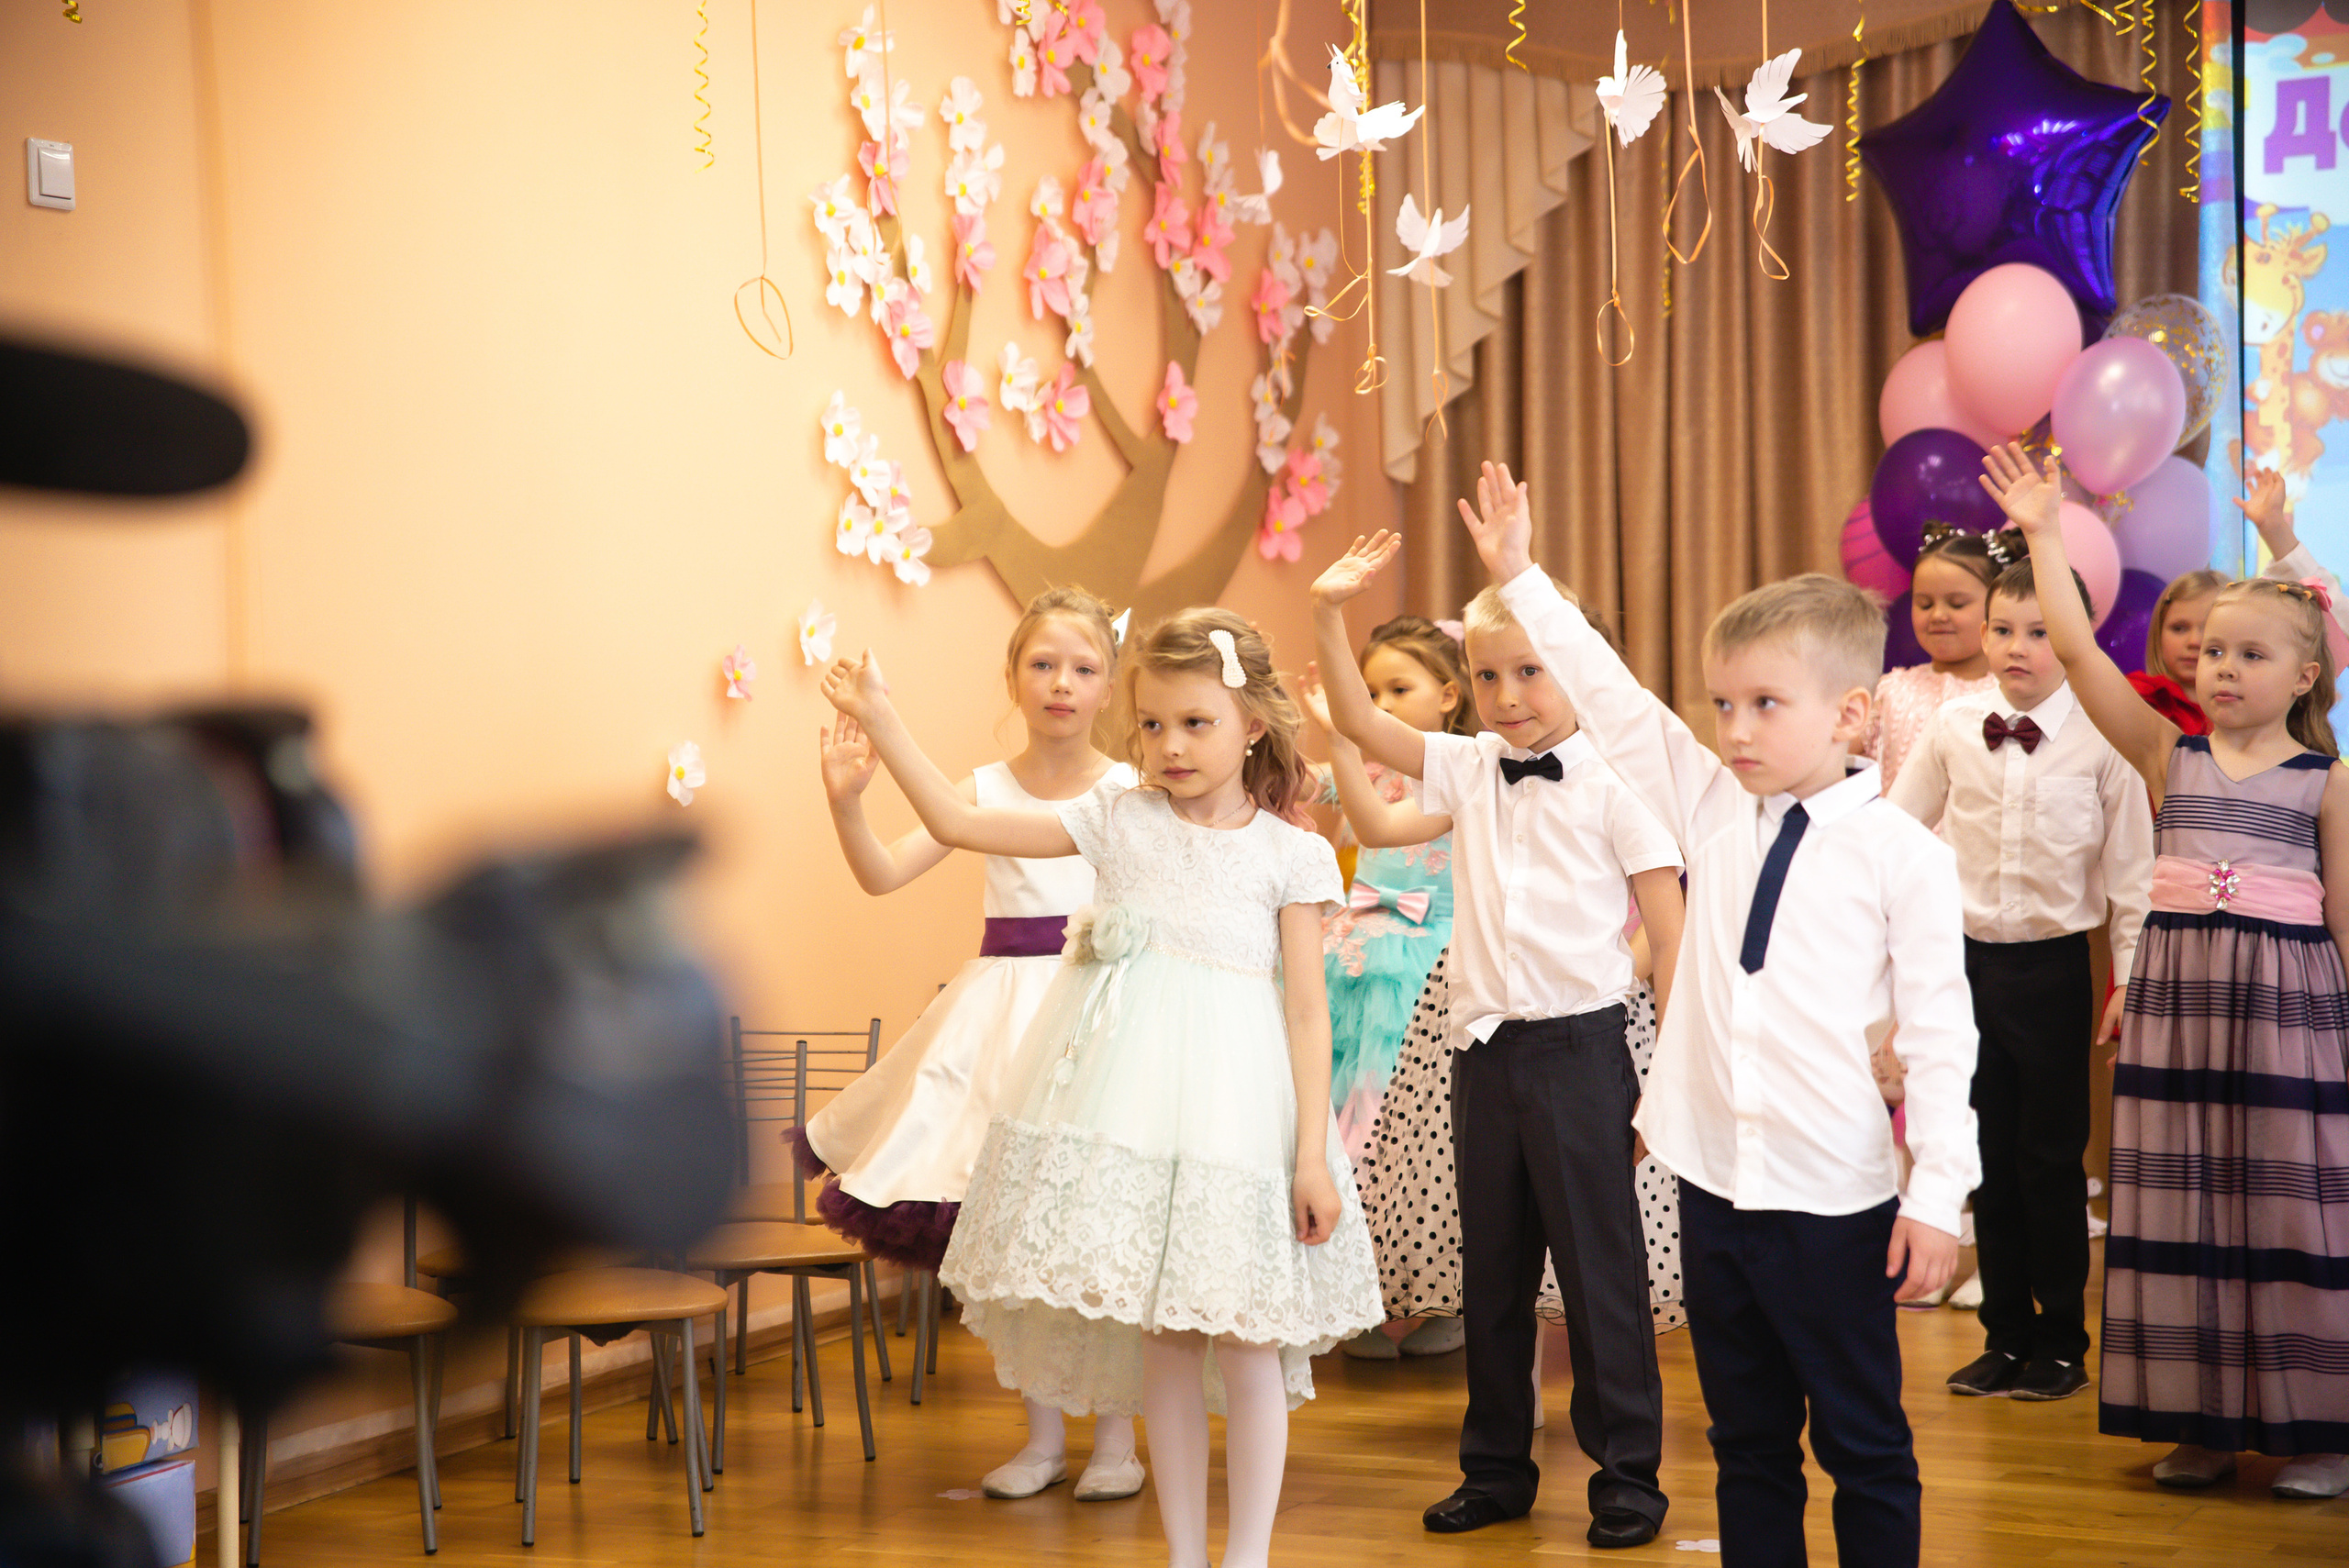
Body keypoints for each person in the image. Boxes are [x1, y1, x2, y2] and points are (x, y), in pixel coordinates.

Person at [1454, 460, 1978, 1566]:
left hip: (1832, 1196)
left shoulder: (1904, 857)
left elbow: (1939, 1037)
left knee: (1862, 1437)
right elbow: (1614, 699)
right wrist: (1521, 575)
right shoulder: (1708, 805)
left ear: (1849, 712)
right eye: (1724, 703)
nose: (1734, 728)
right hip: (1716, 1187)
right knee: (1744, 1439)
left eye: (1763, 704)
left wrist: (1936, 1195)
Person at [818, 610, 1381, 1568]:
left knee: (1245, 1336)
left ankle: (1246, 1555)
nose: (1169, 745)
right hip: (1129, 1101)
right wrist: (881, 715)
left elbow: (1304, 1014)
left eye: (1195, 723)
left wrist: (1309, 1156)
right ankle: (1182, 1551)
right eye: (1152, 724)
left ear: (1250, 724)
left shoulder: (1290, 854)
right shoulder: (1118, 819)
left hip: (1242, 1109)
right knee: (1161, 1333)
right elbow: (957, 822)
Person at [1985, 441, 2349, 1499]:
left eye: (2250, 653)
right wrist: (2045, 531)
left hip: (2289, 1018)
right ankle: (2199, 1424)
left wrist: (2286, 541)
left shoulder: (2326, 779)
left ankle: (2318, 1428)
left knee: (2288, 1210)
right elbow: (2074, 646)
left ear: (2307, 670)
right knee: (2181, 1207)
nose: (2222, 668)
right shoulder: (2163, 752)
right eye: (2212, 652)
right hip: (2180, 1015)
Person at [1309, 538, 1686, 1551]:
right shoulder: (1466, 765)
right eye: (1485, 674)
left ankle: (1627, 1476)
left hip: (1583, 1049)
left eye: (1530, 669)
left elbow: (1671, 931)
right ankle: (1494, 1468)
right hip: (1482, 1052)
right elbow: (1354, 720)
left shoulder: (1617, 781)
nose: (1506, 693)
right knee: (1495, 1276)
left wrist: (1670, 1080)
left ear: (1575, 668)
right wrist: (1325, 612)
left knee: (1602, 1276)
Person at [796, 587, 1142, 1500]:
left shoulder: (1128, 794)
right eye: (1042, 664)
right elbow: (881, 874)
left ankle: (1116, 1438)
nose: (1061, 683)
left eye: (1082, 667)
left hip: (1095, 1016)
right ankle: (1039, 1436)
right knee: (1009, 1236)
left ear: (1109, 684)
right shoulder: (979, 790)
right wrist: (846, 806)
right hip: (996, 1021)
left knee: (1099, 1229)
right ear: (1014, 676)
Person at [1887, 558, 2154, 1404]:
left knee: (2048, 1159)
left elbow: (2134, 879)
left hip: (2051, 969)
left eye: (2040, 631)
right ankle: (2002, 1335)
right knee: (1983, 1157)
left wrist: (2129, 982)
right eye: (2003, 628)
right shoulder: (1956, 727)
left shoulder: (2105, 737)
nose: (2017, 647)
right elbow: (1892, 833)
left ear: (2077, 637)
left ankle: (2063, 1342)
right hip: (1961, 966)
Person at [1865, 524, 2008, 787]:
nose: (1938, 615)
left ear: (1997, 606)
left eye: (1957, 604)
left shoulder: (2012, 694)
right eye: (1925, 604)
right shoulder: (1889, 690)